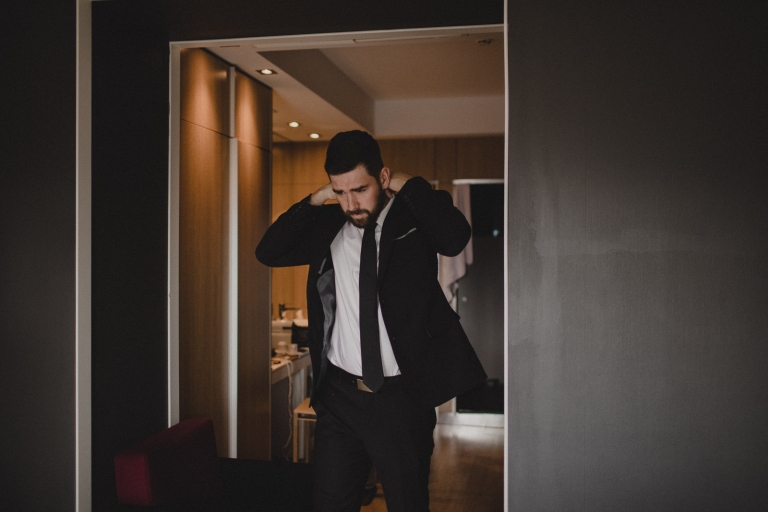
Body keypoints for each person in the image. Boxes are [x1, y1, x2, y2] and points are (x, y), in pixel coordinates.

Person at [256, 130, 486, 512]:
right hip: (340, 399)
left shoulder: (412, 219)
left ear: (382, 178)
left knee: (408, 505)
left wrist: (408, 184)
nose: (351, 203)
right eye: (340, 191)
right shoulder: (327, 225)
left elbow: (455, 237)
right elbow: (269, 250)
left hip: (399, 399)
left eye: (360, 189)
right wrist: (316, 199)